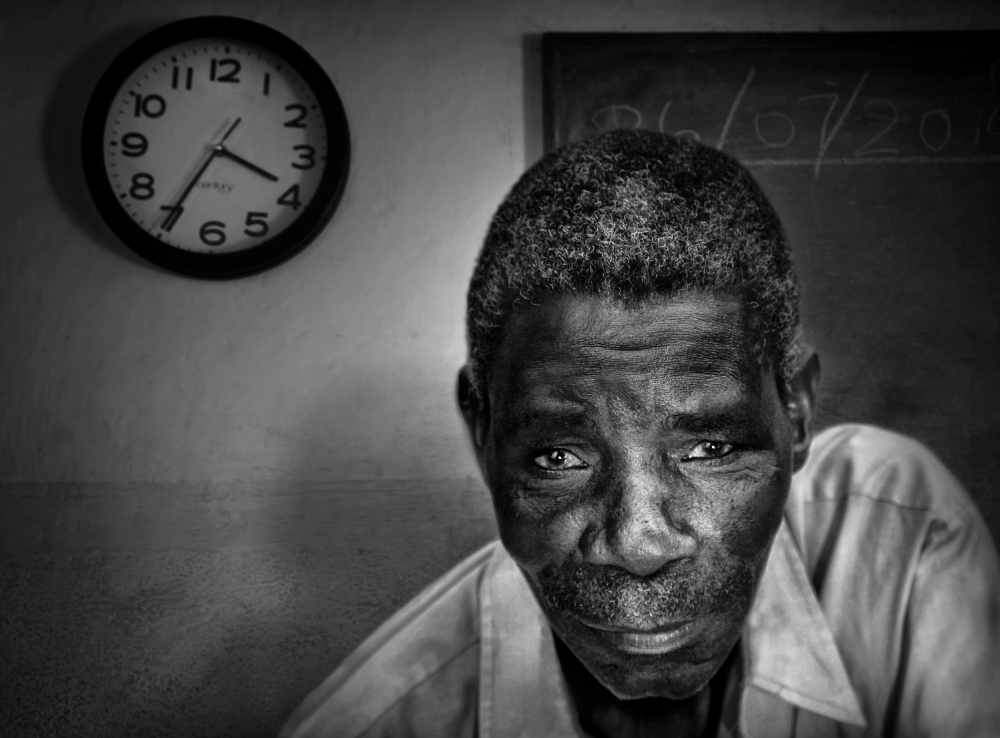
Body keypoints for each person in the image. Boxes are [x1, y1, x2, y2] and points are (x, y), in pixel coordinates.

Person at [281, 130, 1000, 738]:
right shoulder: (376, 723)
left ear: (799, 410)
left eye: (710, 450)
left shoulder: (897, 534)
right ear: (481, 430)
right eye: (558, 456)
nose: (640, 544)